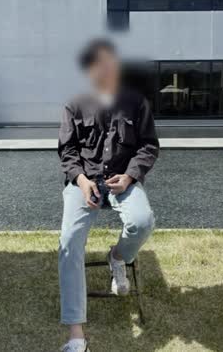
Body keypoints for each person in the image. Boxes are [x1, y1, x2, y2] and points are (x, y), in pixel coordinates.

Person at [57, 39, 160, 352]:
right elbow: (67, 151)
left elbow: (149, 146)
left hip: (122, 181)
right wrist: (81, 181)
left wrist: (129, 176)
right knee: (69, 242)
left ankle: (117, 257)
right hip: (83, 184)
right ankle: (76, 335)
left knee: (143, 221)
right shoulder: (74, 105)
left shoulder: (137, 103)